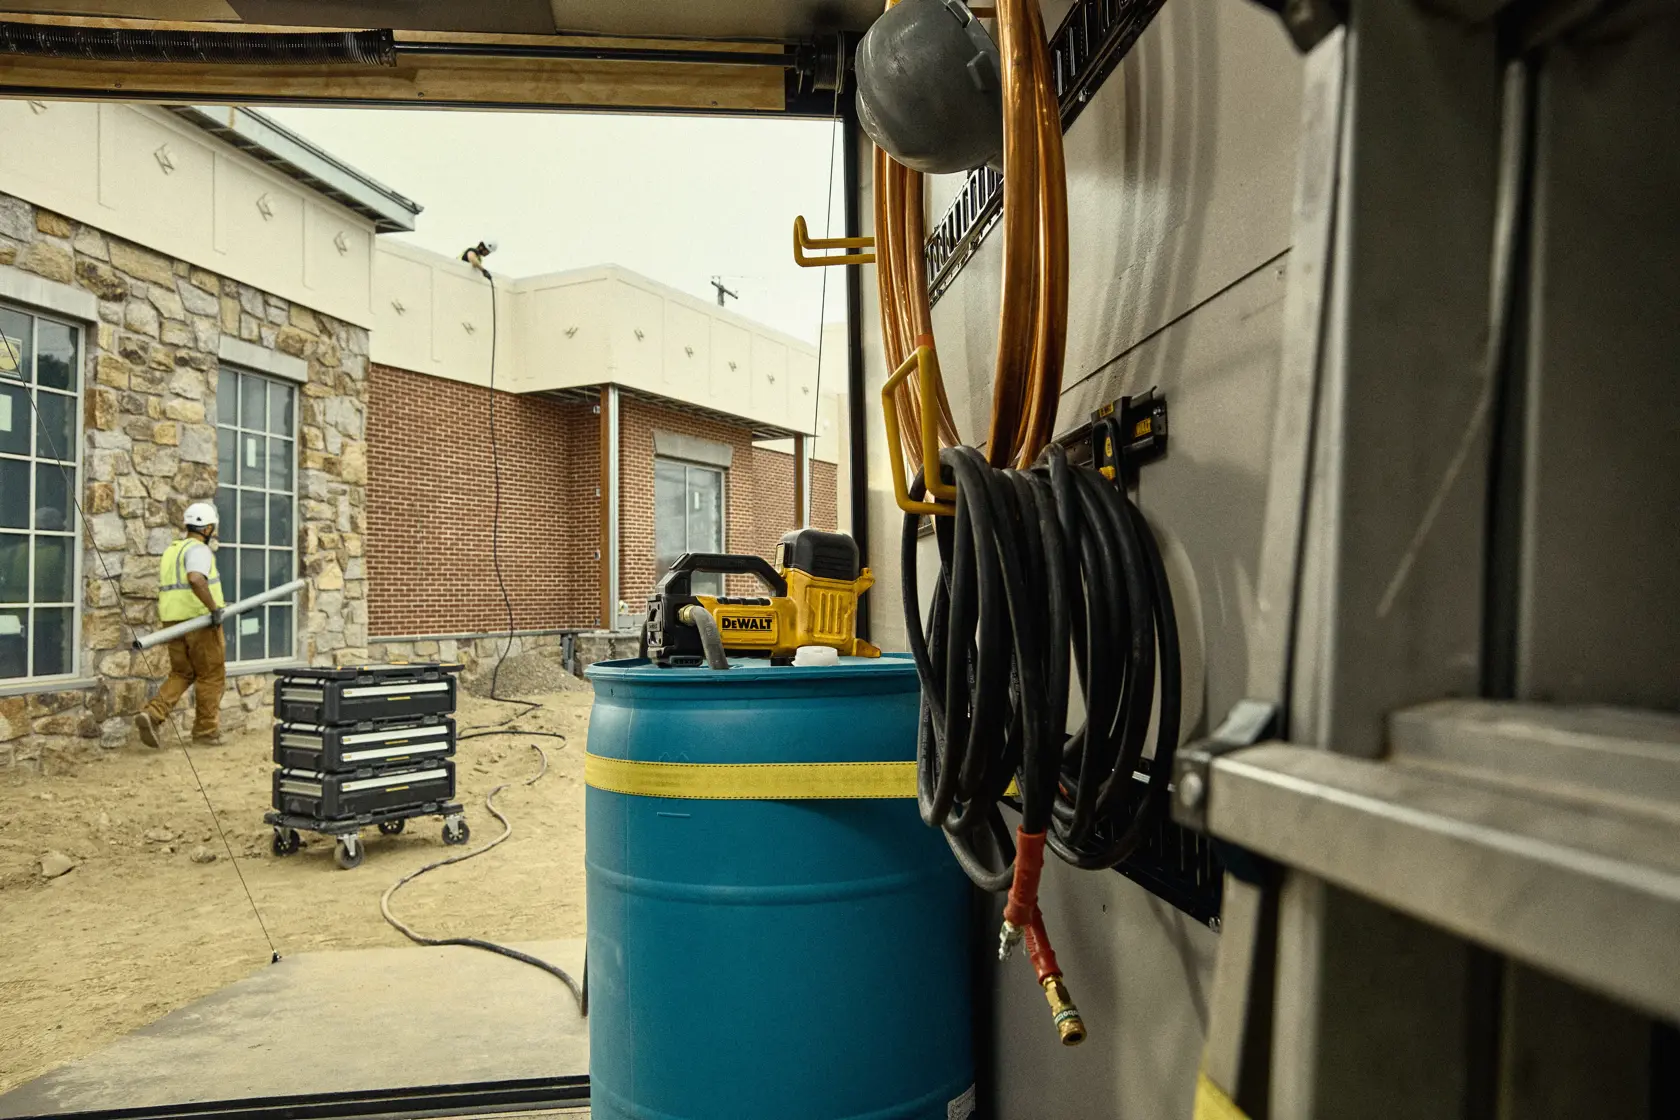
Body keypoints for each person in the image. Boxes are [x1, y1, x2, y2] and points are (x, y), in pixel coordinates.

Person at [135, 501, 227, 747]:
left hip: (173, 622)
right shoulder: (199, 550)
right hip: (199, 621)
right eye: (212, 527)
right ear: (207, 528)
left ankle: (153, 714)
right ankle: (206, 732)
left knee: (182, 672)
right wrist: (214, 609)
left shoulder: (172, 551)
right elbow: (195, 579)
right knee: (211, 675)